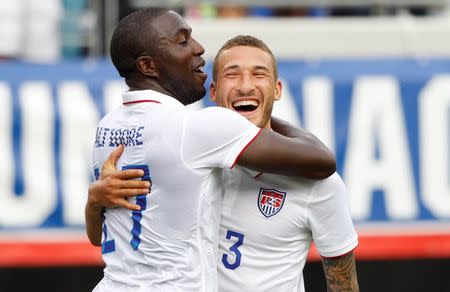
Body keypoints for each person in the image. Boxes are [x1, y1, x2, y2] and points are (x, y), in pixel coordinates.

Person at [86, 8, 335, 292]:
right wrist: (263, 112)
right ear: (148, 66)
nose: (199, 48)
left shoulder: (107, 128)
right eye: (182, 42)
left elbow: (99, 237)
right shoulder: (196, 128)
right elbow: (322, 160)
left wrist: (93, 204)